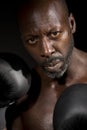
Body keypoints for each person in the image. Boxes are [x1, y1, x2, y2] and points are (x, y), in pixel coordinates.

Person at [5, 0, 87, 130]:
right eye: (32, 40)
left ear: (72, 24)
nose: (46, 51)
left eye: (54, 34)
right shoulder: (24, 98)